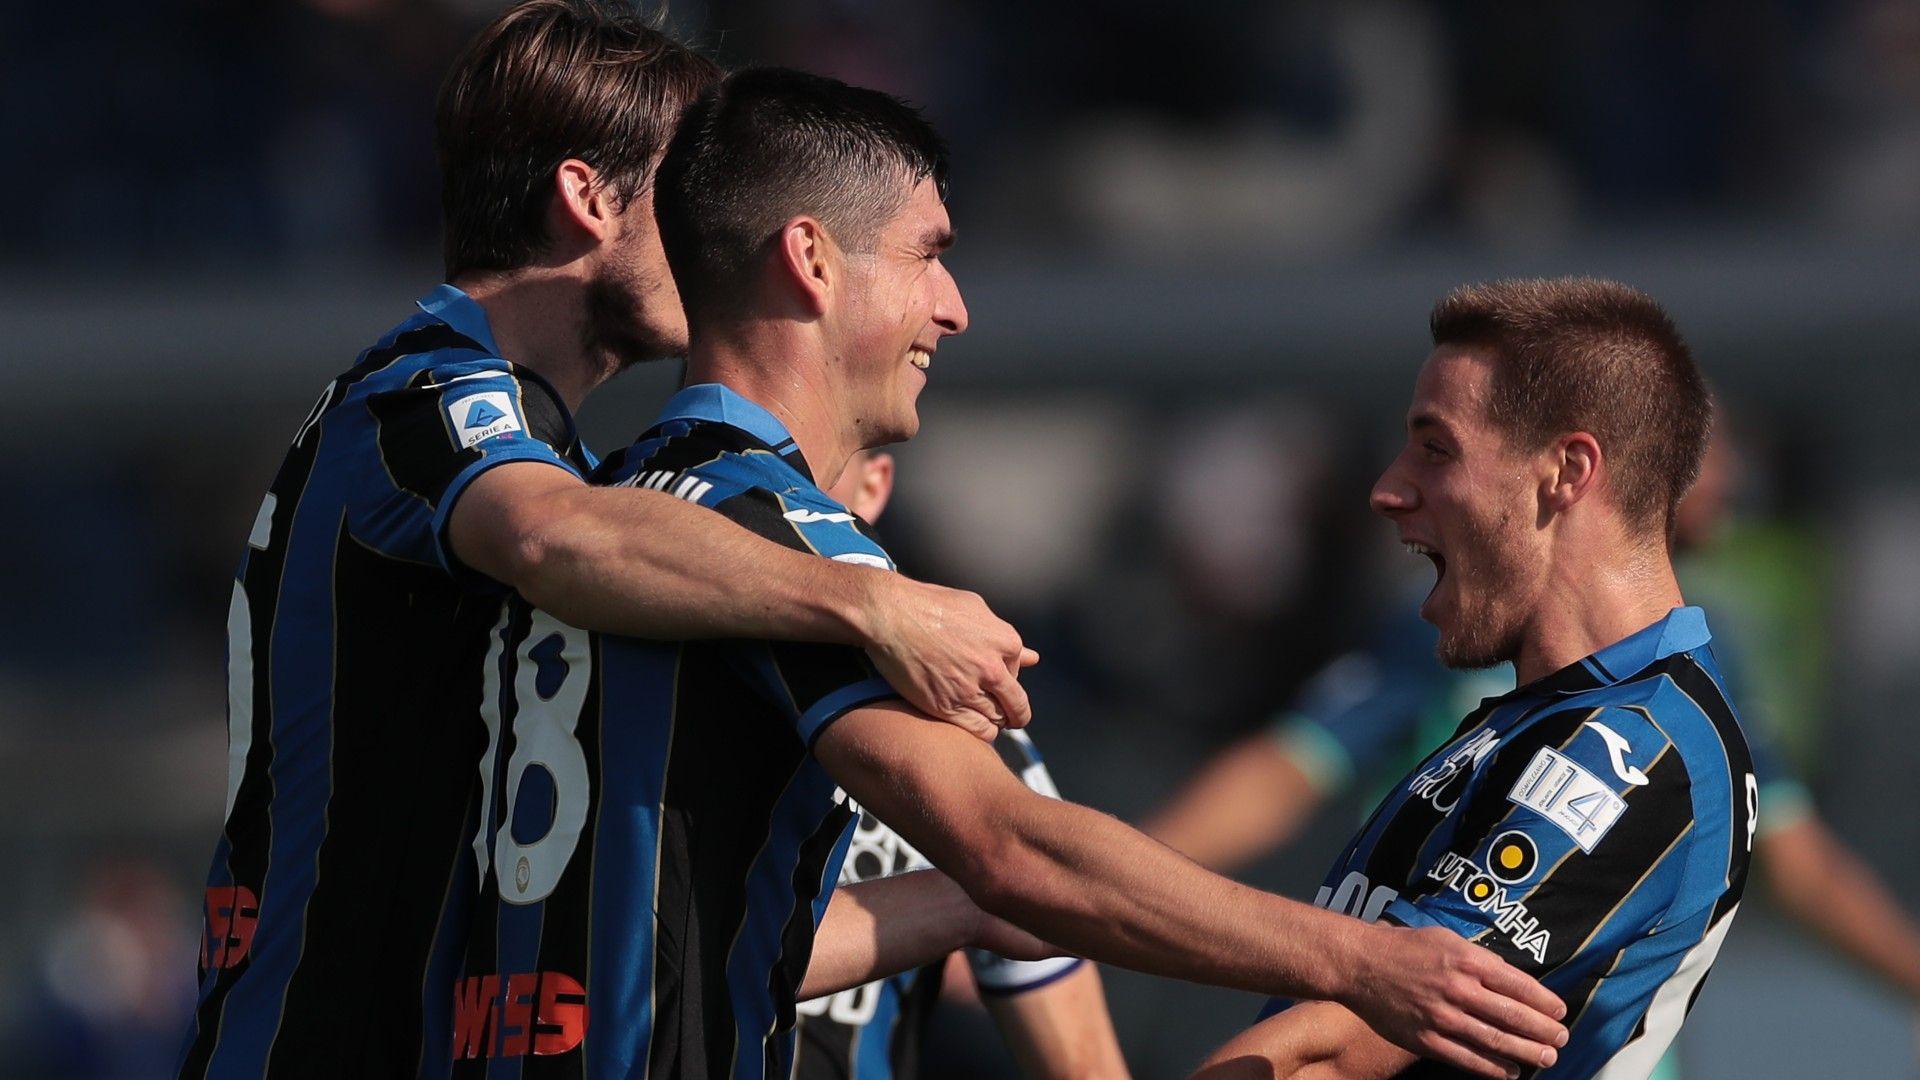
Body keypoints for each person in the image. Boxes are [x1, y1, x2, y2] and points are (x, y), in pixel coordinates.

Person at [452, 67, 1569, 1080]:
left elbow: (669, 929)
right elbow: (1012, 851)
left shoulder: (595, 511)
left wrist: (956, 906)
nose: (956, 306)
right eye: (930, 254)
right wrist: (1362, 961)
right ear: (812, 261)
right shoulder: (780, 545)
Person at [176, 5, 1037, 1077]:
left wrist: (981, 897)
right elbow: (551, 538)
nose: (721, 233)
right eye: (687, 198)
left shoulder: (556, 460)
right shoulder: (429, 398)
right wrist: (871, 601)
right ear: (586, 199)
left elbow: (726, 937)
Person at [1149, 426, 1920, 1077]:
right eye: (1705, 443)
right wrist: (1126, 882)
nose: (1726, 469)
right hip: (1401, 994)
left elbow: (1800, 862)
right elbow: (1289, 766)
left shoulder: (1689, 689)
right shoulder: (1448, 625)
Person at [1197, 277, 1755, 1078]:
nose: (1387, 491)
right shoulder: (1527, 717)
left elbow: (1333, 1057)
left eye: (1435, 448)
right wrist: (1051, 897)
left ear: (1566, 472)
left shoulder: (1639, 749)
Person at [793, 450, 1130, 1080]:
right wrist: (959, 906)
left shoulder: (969, 719)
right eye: (735, 458)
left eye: (800, 463)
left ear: (874, 487)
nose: (767, 496)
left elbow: (1082, 1060)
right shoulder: (607, 686)